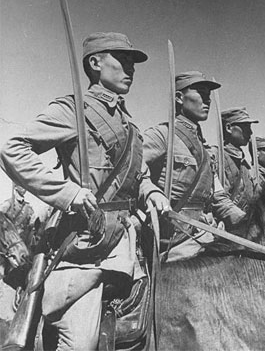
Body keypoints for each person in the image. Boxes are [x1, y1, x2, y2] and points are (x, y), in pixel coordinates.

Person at [0, 32, 168, 351]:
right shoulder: (72, 111)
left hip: (127, 244)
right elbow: (12, 148)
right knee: (82, 343)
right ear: (94, 63)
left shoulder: (129, 125)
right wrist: (68, 193)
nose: (130, 68)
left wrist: (151, 191)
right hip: (85, 248)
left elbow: (139, 175)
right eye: (123, 60)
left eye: (133, 62)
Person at [143, 71, 247, 261]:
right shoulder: (162, 136)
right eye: (200, 93)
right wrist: (150, 191)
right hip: (173, 239)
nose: (207, 100)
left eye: (208, 95)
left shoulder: (204, 150)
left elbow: (219, 197)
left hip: (205, 232)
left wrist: (249, 221)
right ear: (179, 98)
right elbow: (133, 170)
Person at [221, 107, 258, 212]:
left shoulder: (244, 164)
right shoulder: (219, 158)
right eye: (245, 127)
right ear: (229, 128)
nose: (250, 132)